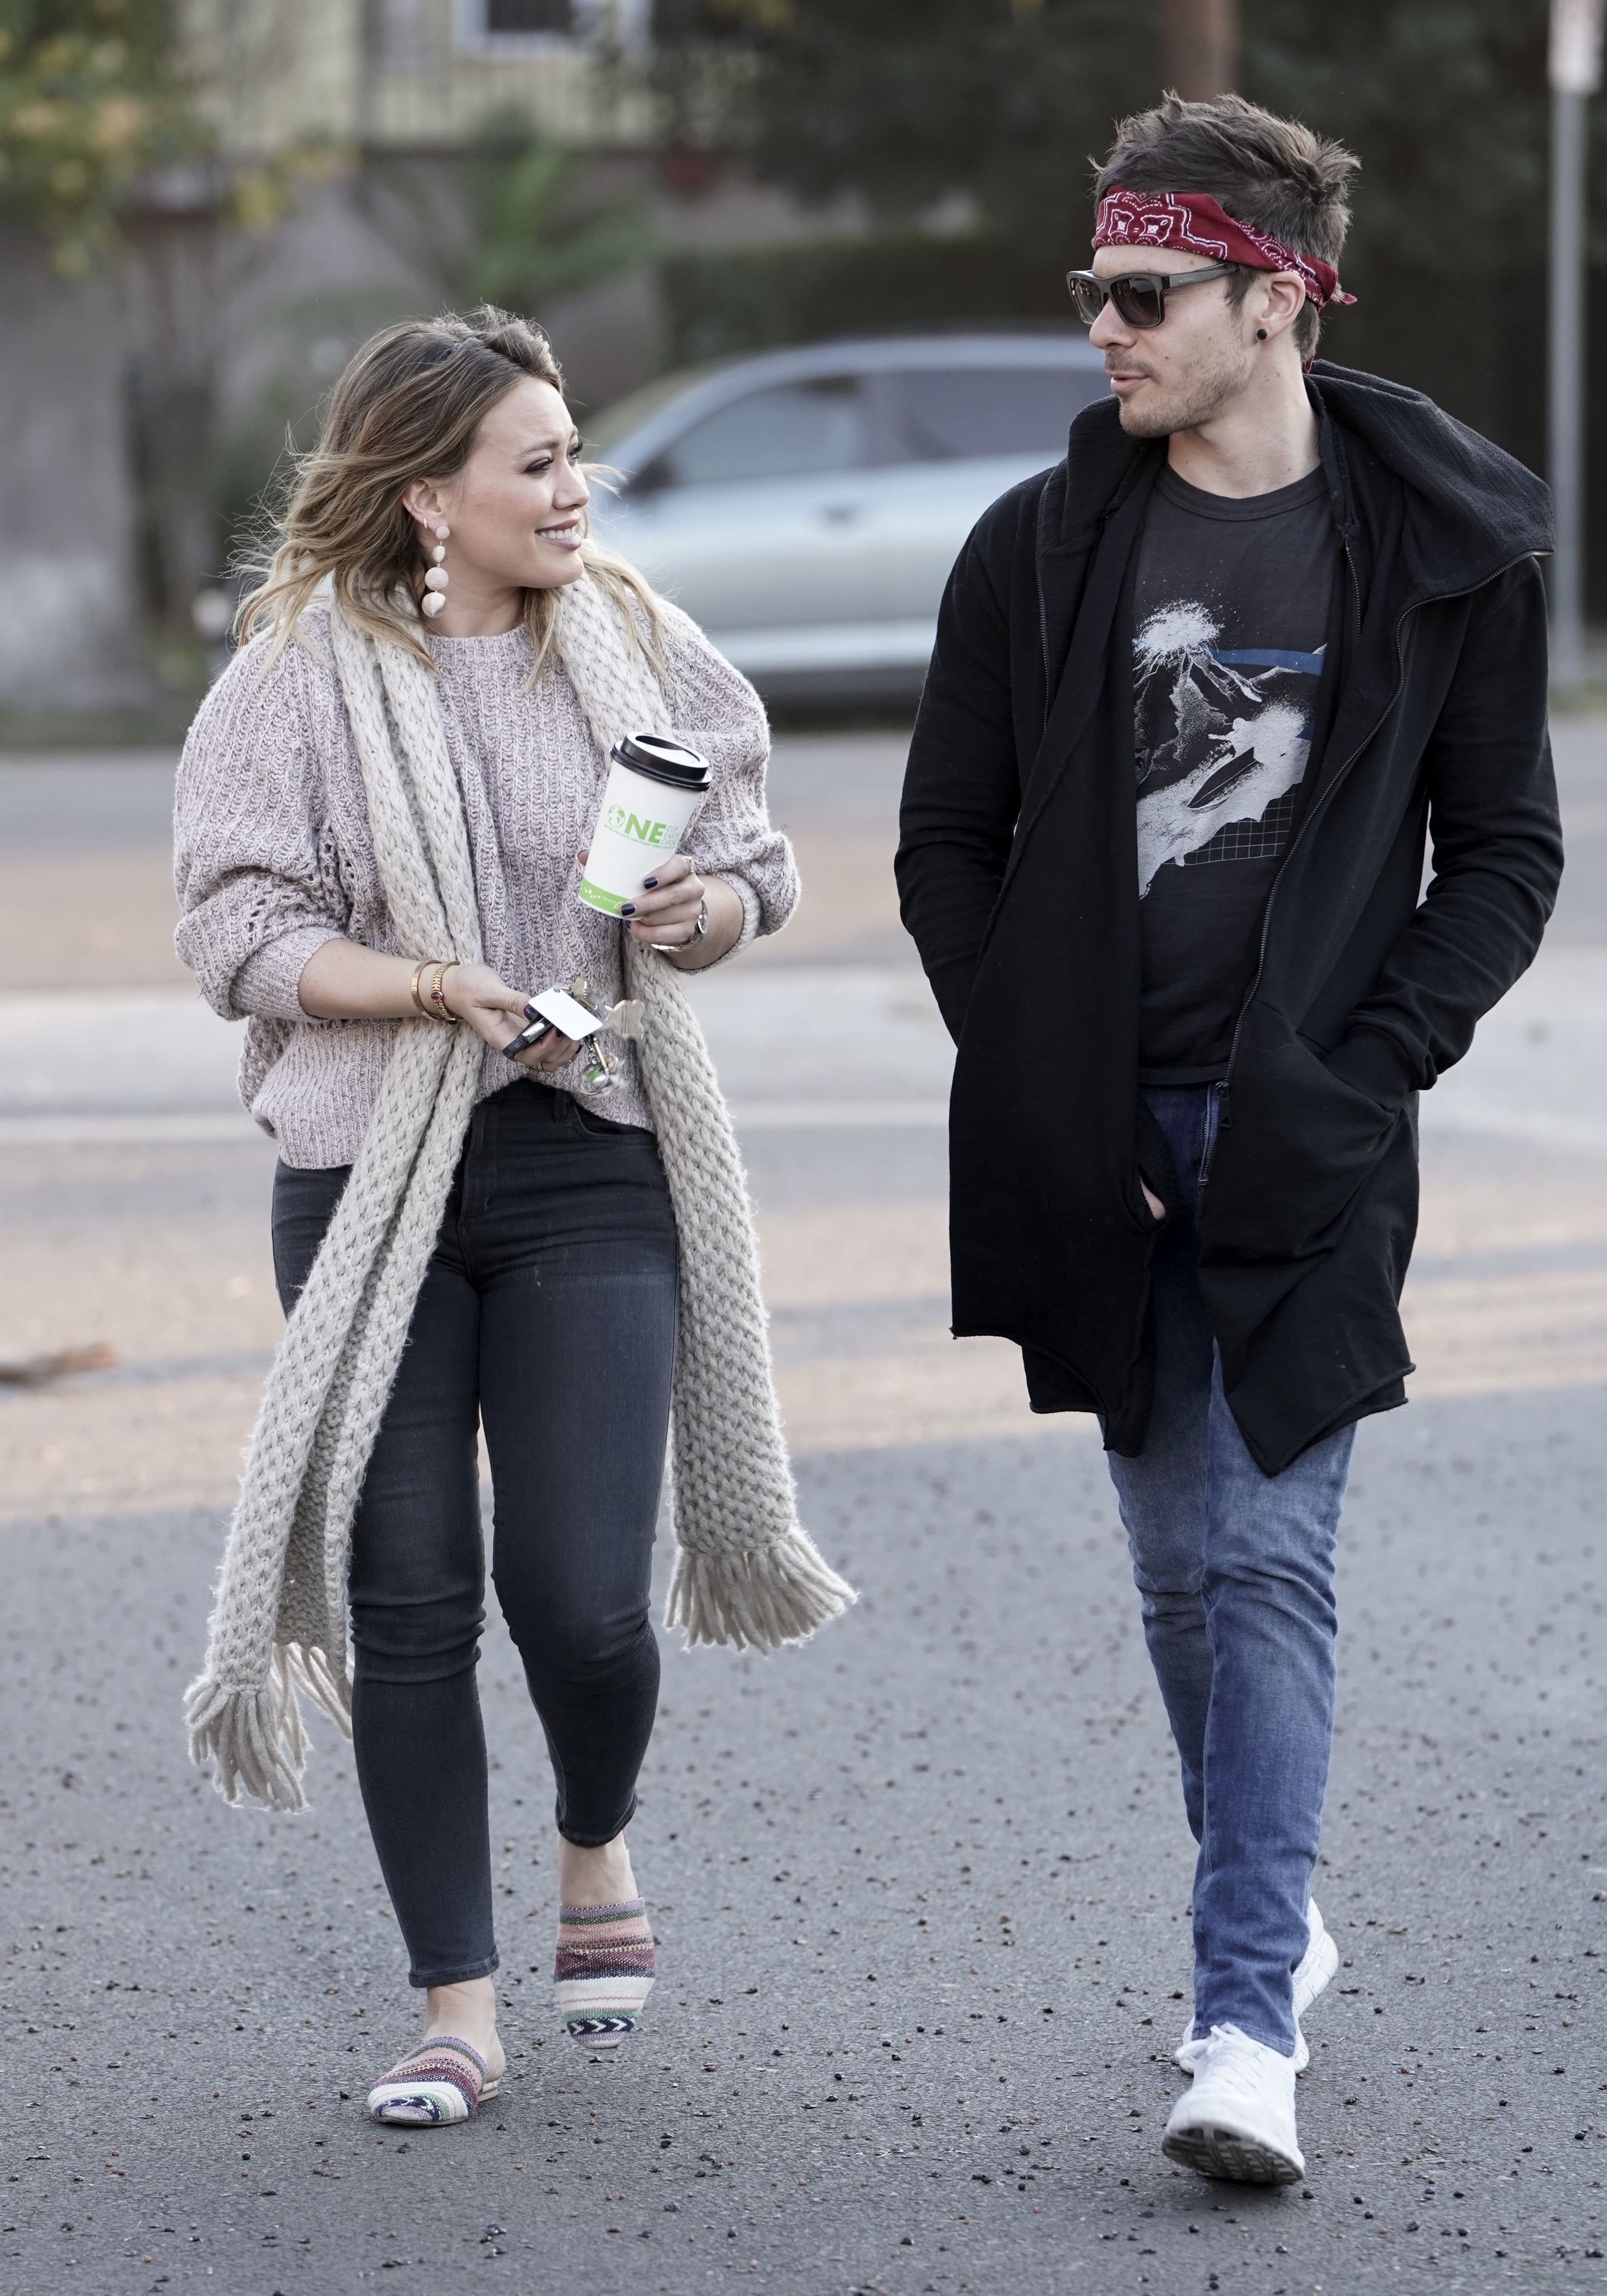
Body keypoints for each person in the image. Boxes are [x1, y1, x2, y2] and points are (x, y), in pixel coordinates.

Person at [896, 94, 1561, 2185]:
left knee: (1268, 1559)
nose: (1103, 327)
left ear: (1278, 298)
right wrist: (1048, 1089)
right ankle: (1271, 1906)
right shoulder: (1038, 548)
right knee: (1180, 1578)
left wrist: (1365, 1074)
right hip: (1096, 1135)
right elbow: (946, 846)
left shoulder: (1438, 550)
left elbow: (1505, 855)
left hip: (1307, 1133)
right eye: (1092, 288)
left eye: (1144, 292)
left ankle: (1245, 2020)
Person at [174, 307, 852, 2128]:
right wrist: (424, 986)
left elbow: (751, 861)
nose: (576, 491)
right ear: (427, 496)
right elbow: (235, 932)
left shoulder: (631, 638)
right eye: (538, 463)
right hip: (368, 1173)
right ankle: (455, 2008)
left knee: (580, 1595)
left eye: (574, 457)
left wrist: (702, 916)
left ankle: (594, 1836)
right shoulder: (292, 684)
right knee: (408, 1598)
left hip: (588, 1153)